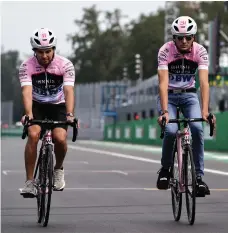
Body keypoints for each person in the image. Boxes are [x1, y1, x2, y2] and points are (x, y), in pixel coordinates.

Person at [156, 16, 215, 196]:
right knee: (171, 130)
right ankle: (165, 169)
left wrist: (205, 111)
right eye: (179, 37)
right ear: (173, 38)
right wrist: (165, 111)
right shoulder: (165, 51)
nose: (183, 41)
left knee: (197, 128)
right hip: (170, 96)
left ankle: (198, 178)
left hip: (190, 95)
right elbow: (163, 83)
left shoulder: (200, 51)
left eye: (188, 37)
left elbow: (204, 83)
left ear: (193, 38)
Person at [19, 28, 76, 198]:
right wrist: (28, 113)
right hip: (37, 105)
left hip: (58, 105)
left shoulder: (65, 65)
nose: (44, 55)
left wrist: (70, 114)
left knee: (60, 137)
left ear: (54, 49)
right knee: (34, 133)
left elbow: (68, 90)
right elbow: (26, 91)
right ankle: (30, 183)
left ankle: (58, 169)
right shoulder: (26, 66)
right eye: (40, 52)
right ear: (34, 51)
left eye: (48, 51)